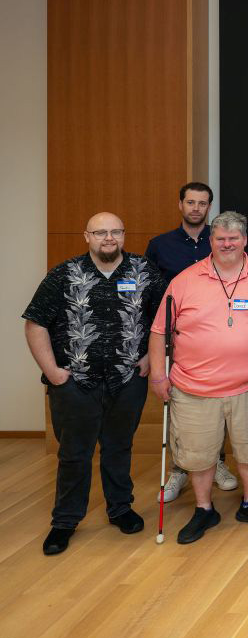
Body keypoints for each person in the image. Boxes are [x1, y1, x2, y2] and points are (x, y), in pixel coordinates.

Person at [148, 211, 248, 545]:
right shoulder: (184, 280)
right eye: (220, 239)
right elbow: (159, 331)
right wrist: (158, 376)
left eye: (234, 238)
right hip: (194, 388)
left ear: (245, 240)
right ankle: (204, 509)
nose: (227, 244)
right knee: (198, 454)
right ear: (211, 241)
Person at [24, 212, 165, 555]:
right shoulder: (64, 274)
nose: (108, 238)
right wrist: (53, 372)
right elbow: (35, 323)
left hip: (127, 379)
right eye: (100, 232)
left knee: (119, 448)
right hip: (75, 383)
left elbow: (163, 321)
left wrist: (151, 357)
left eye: (115, 231)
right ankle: (65, 521)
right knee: (74, 454)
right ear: (87, 236)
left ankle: (120, 509)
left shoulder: (144, 271)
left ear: (124, 234)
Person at [146, 181, 237, 499]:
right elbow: (151, 296)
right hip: (176, 340)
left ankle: (217, 463)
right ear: (180, 205)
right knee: (181, 408)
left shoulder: (222, 240)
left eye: (202, 203)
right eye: (190, 202)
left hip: (217, 340)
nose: (196, 208)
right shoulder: (160, 245)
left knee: (218, 404)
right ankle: (179, 469)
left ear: (209, 207)